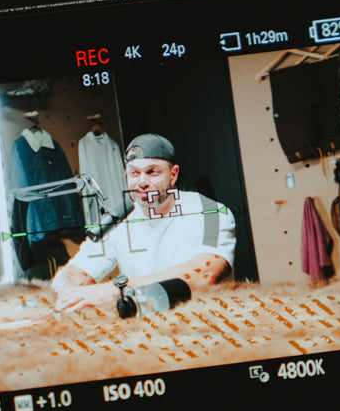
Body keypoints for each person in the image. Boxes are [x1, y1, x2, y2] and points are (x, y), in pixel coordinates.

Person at [53, 133, 235, 312]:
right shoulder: (117, 221)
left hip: (204, 319)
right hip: (146, 324)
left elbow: (204, 274)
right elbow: (72, 273)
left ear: (173, 174)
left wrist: (118, 289)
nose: (142, 182)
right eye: (134, 173)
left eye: (151, 172)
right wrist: (70, 291)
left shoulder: (213, 213)